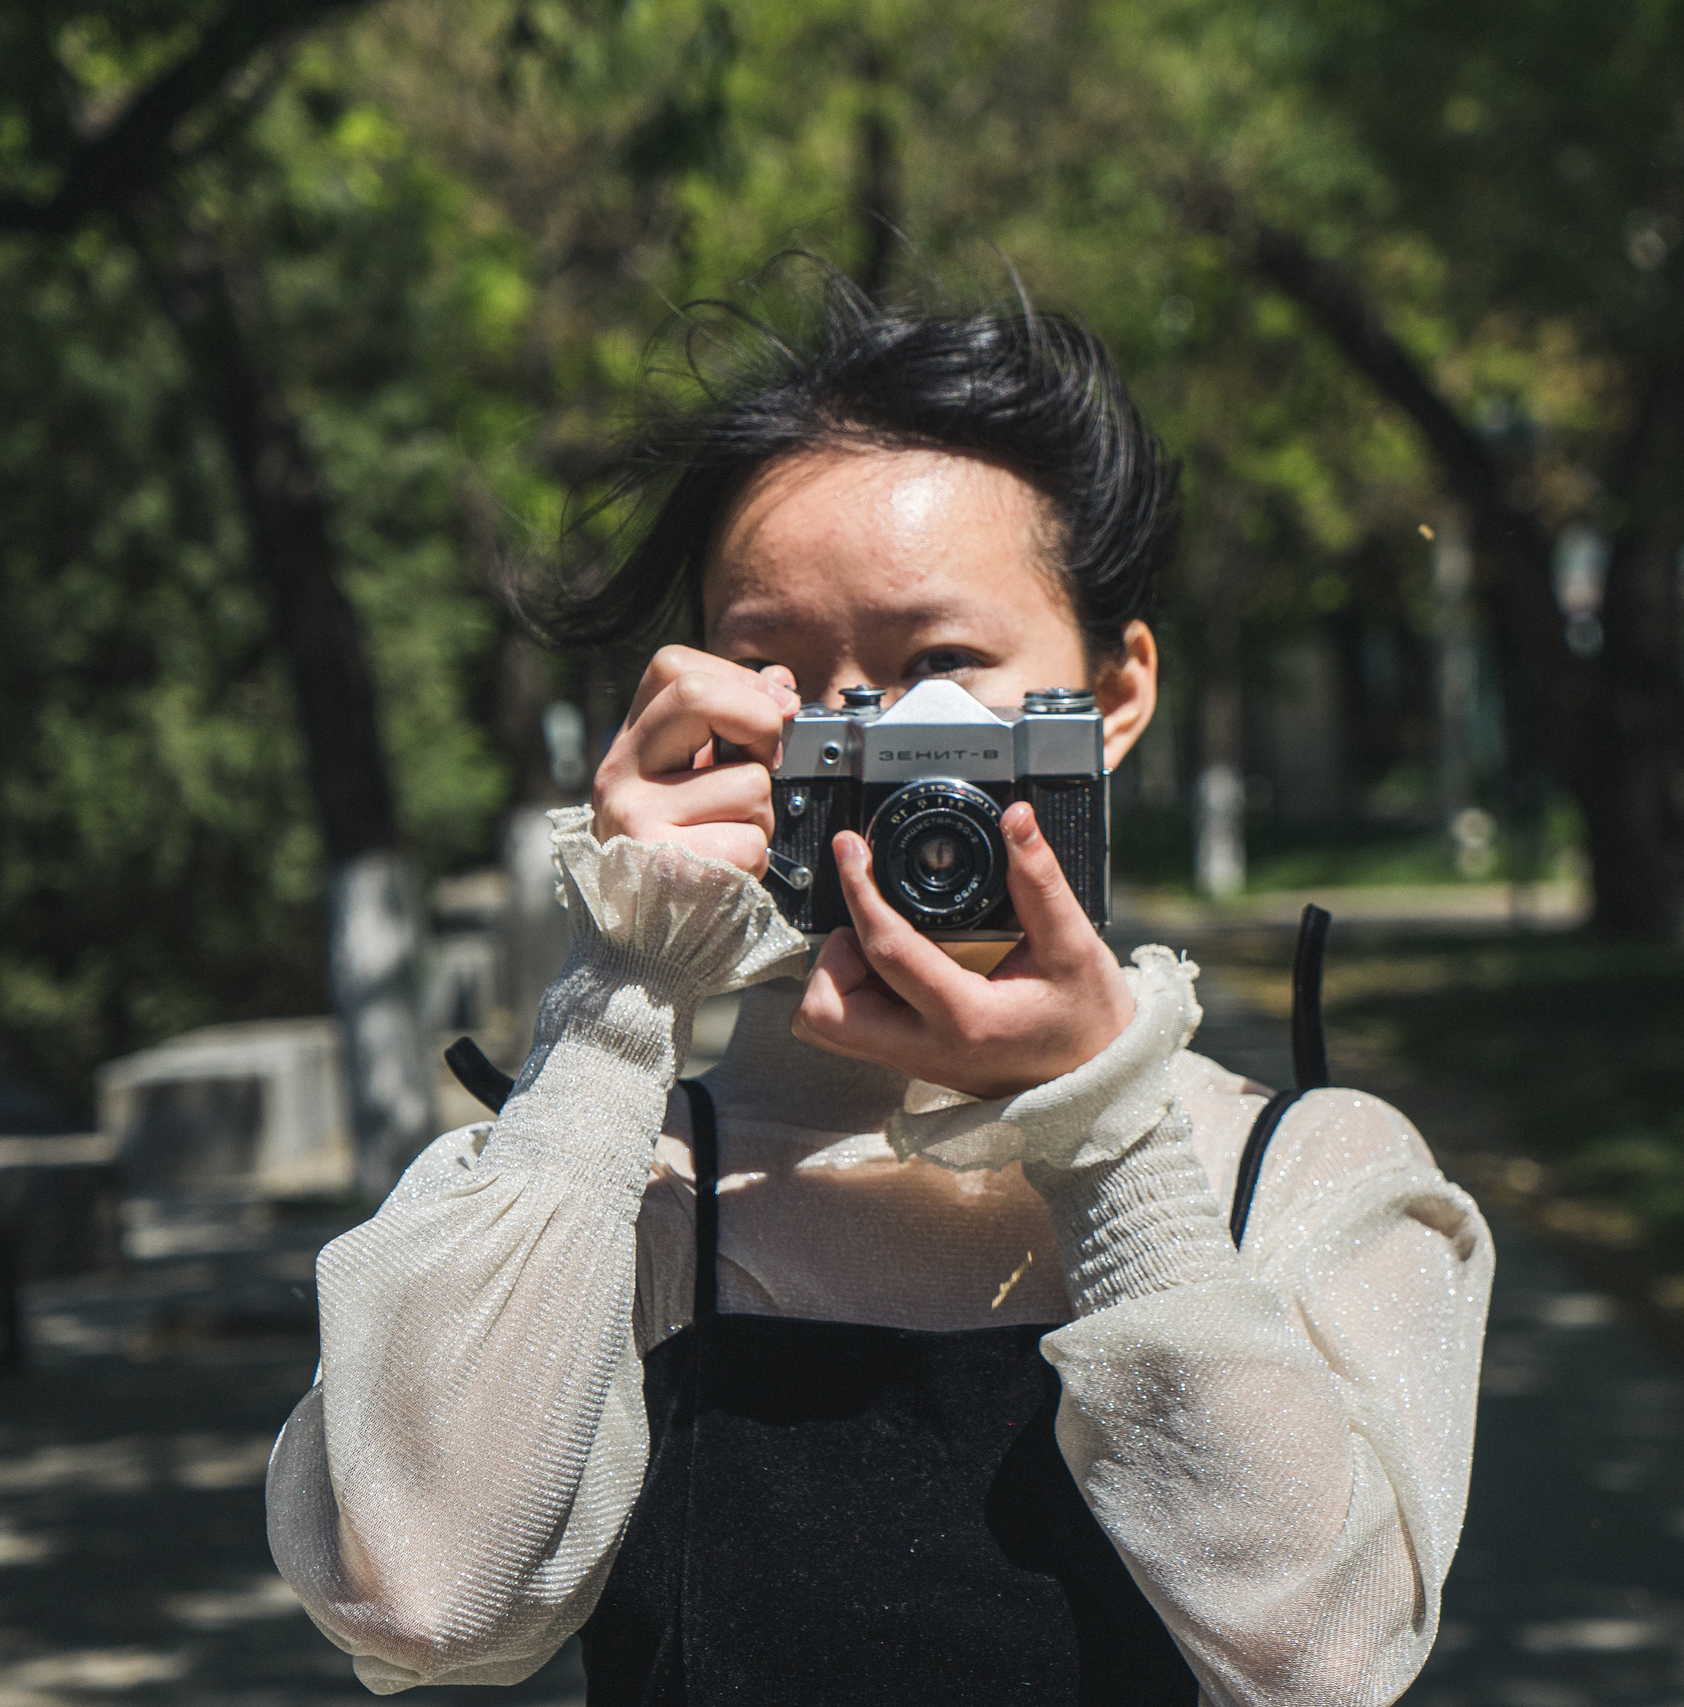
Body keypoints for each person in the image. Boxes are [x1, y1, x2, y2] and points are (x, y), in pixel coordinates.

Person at [265, 274, 1493, 1705]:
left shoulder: (1303, 1175)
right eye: (778, 676)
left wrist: (1107, 1145)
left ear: (1112, 697)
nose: (867, 749)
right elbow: (426, 1604)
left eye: (940, 669)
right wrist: (616, 995)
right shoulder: (627, 1182)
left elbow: (1322, 1662)